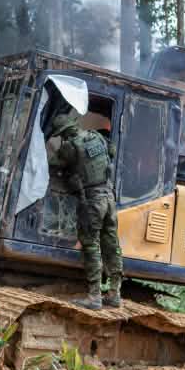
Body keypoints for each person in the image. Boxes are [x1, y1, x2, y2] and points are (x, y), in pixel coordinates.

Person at [50, 112, 123, 310]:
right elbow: (112, 152)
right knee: (111, 244)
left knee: (91, 246)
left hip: (93, 201)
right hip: (109, 198)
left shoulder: (70, 146)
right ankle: (115, 293)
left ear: (63, 133)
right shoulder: (96, 136)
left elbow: (53, 165)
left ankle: (94, 296)